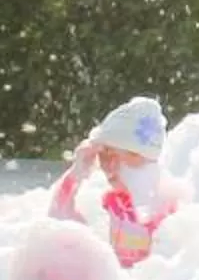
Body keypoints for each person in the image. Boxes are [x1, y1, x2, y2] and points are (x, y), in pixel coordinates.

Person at [47, 97, 178, 268]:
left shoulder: (165, 208)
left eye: (114, 155)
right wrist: (75, 175)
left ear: (141, 157)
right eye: (102, 155)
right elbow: (58, 221)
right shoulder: (114, 203)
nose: (107, 165)